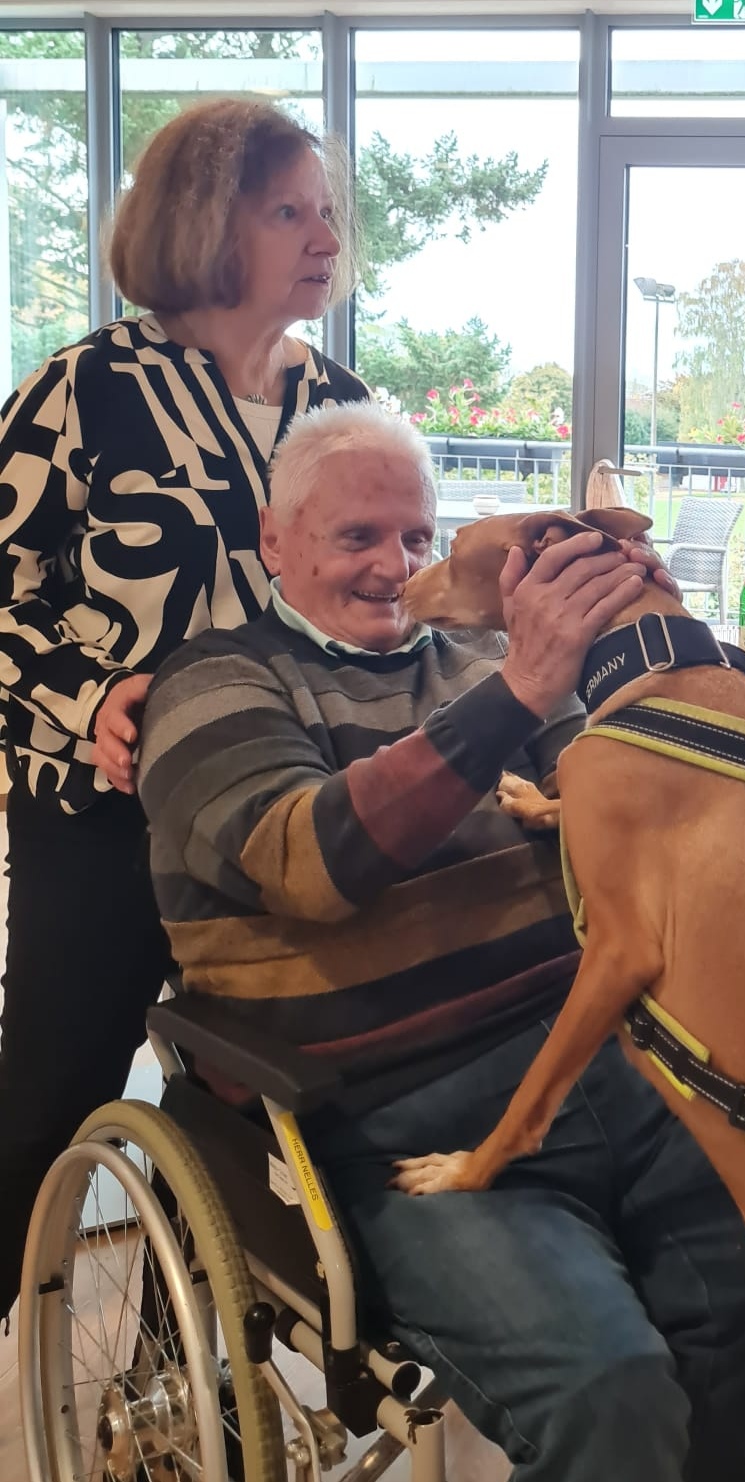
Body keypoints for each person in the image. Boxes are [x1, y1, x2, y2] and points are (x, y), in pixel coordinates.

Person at [137, 400, 745, 1482]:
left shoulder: (471, 663)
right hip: (402, 1112)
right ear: (274, 541)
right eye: (357, 537)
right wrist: (519, 692)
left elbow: (652, 822)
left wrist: (655, 642)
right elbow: (311, 863)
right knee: (611, 1392)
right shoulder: (213, 684)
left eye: (414, 536)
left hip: (610, 1064)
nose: (395, 568)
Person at [0, 97, 370, 1324]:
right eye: (288, 213)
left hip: (267, 819)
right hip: (101, 823)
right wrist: (84, 701)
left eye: (327, 213)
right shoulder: (83, 390)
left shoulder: (338, 402)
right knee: (46, 1099)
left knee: (233, 1107)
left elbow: (378, 579)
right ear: (210, 223)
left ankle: (173, 1382)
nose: (324, 238)